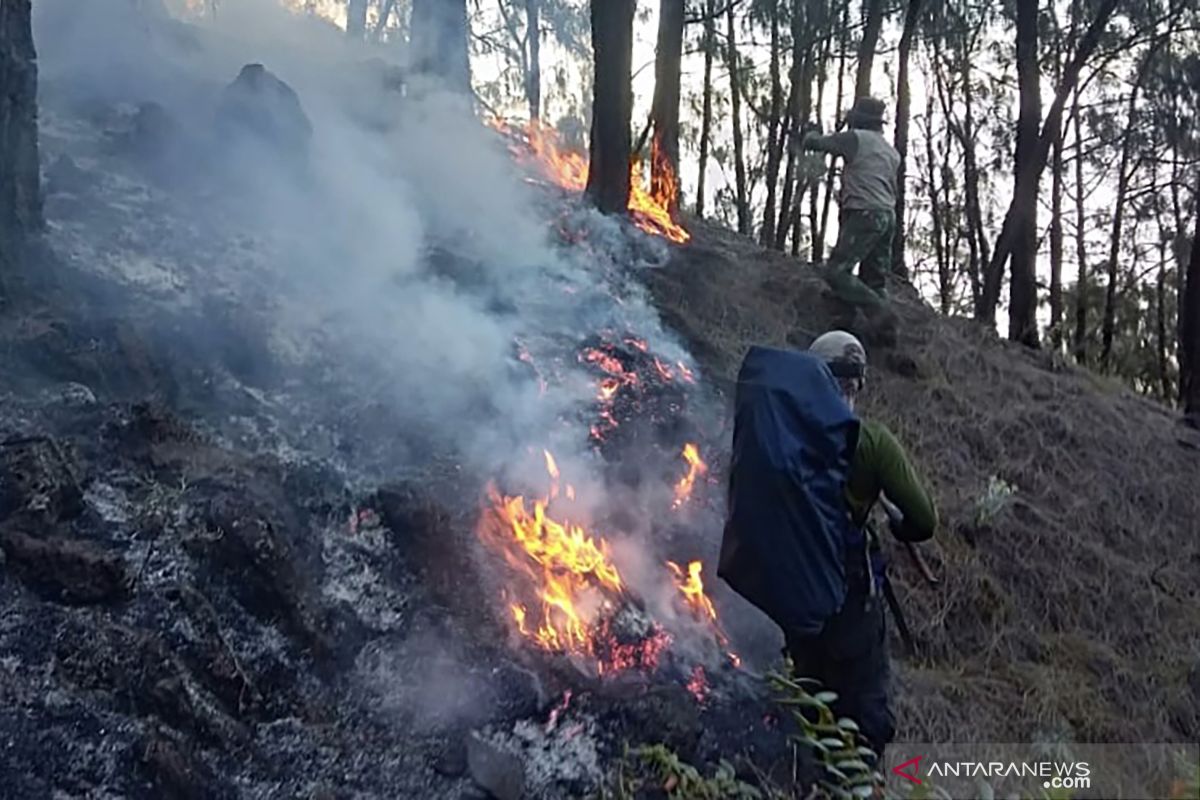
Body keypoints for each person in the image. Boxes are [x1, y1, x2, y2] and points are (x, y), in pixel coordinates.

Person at [717, 333, 937, 759]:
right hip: (851, 607)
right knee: (864, 719)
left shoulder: (773, 435)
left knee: (809, 705)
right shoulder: (869, 441)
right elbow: (923, 521)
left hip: (792, 601)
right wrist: (898, 526)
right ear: (856, 385)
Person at [801, 97, 902, 321]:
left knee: (836, 272)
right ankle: (882, 332)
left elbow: (815, 144)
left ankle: (879, 311)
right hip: (888, 216)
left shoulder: (855, 139)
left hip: (865, 213)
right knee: (874, 280)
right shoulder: (891, 151)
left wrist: (811, 133)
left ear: (858, 119)